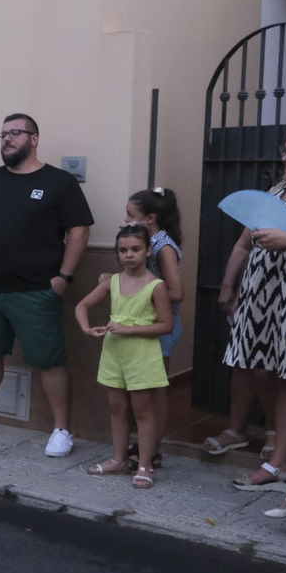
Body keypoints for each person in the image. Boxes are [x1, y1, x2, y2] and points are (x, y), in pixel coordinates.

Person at [0, 113, 93, 456]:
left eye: (16, 133)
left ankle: (62, 430)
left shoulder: (59, 182)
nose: (7, 139)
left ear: (34, 139)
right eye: (3, 133)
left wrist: (63, 277)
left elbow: (80, 230)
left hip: (36, 291)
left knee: (49, 361)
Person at [220, 127, 286, 492]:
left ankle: (280, 461)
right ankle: (280, 460)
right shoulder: (278, 191)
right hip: (265, 297)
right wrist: (229, 287)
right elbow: (244, 243)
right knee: (275, 375)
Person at [75, 226, 173, 489]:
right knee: (117, 409)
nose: (129, 255)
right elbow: (82, 305)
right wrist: (87, 328)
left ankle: (144, 464)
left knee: (143, 411)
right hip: (114, 354)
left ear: (148, 251)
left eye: (135, 249)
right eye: (123, 250)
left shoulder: (156, 286)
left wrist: (131, 329)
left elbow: (166, 325)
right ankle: (118, 459)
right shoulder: (112, 281)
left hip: (141, 356)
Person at [124, 186, 184, 468]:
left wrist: (142, 293)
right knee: (145, 389)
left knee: (156, 390)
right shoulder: (149, 243)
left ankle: (153, 448)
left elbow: (175, 291)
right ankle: (146, 444)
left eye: (130, 216)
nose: (126, 222)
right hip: (148, 326)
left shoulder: (163, 246)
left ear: (149, 218)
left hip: (162, 327)